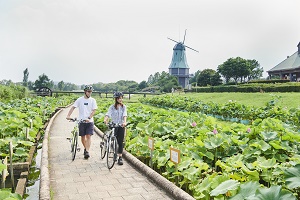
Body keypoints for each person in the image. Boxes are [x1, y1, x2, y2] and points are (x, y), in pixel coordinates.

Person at [66, 85, 98, 159]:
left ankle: (87, 151)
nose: (90, 93)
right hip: (81, 121)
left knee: (88, 136)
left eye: (91, 92)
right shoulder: (80, 100)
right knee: (82, 137)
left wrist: (89, 118)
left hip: (89, 121)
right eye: (88, 91)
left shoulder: (93, 100)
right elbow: (73, 107)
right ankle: (85, 148)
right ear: (85, 92)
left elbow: (94, 110)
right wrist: (68, 115)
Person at [104, 92, 127, 165]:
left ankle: (120, 157)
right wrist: (105, 119)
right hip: (113, 125)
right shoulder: (112, 107)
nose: (120, 99)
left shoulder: (124, 107)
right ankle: (112, 150)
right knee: (112, 139)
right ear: (116, 99)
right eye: (119, 98)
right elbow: (108, 114)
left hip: (121, 125)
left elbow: (125, 115)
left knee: (120, 142)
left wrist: (124, 122)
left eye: (121, 98)